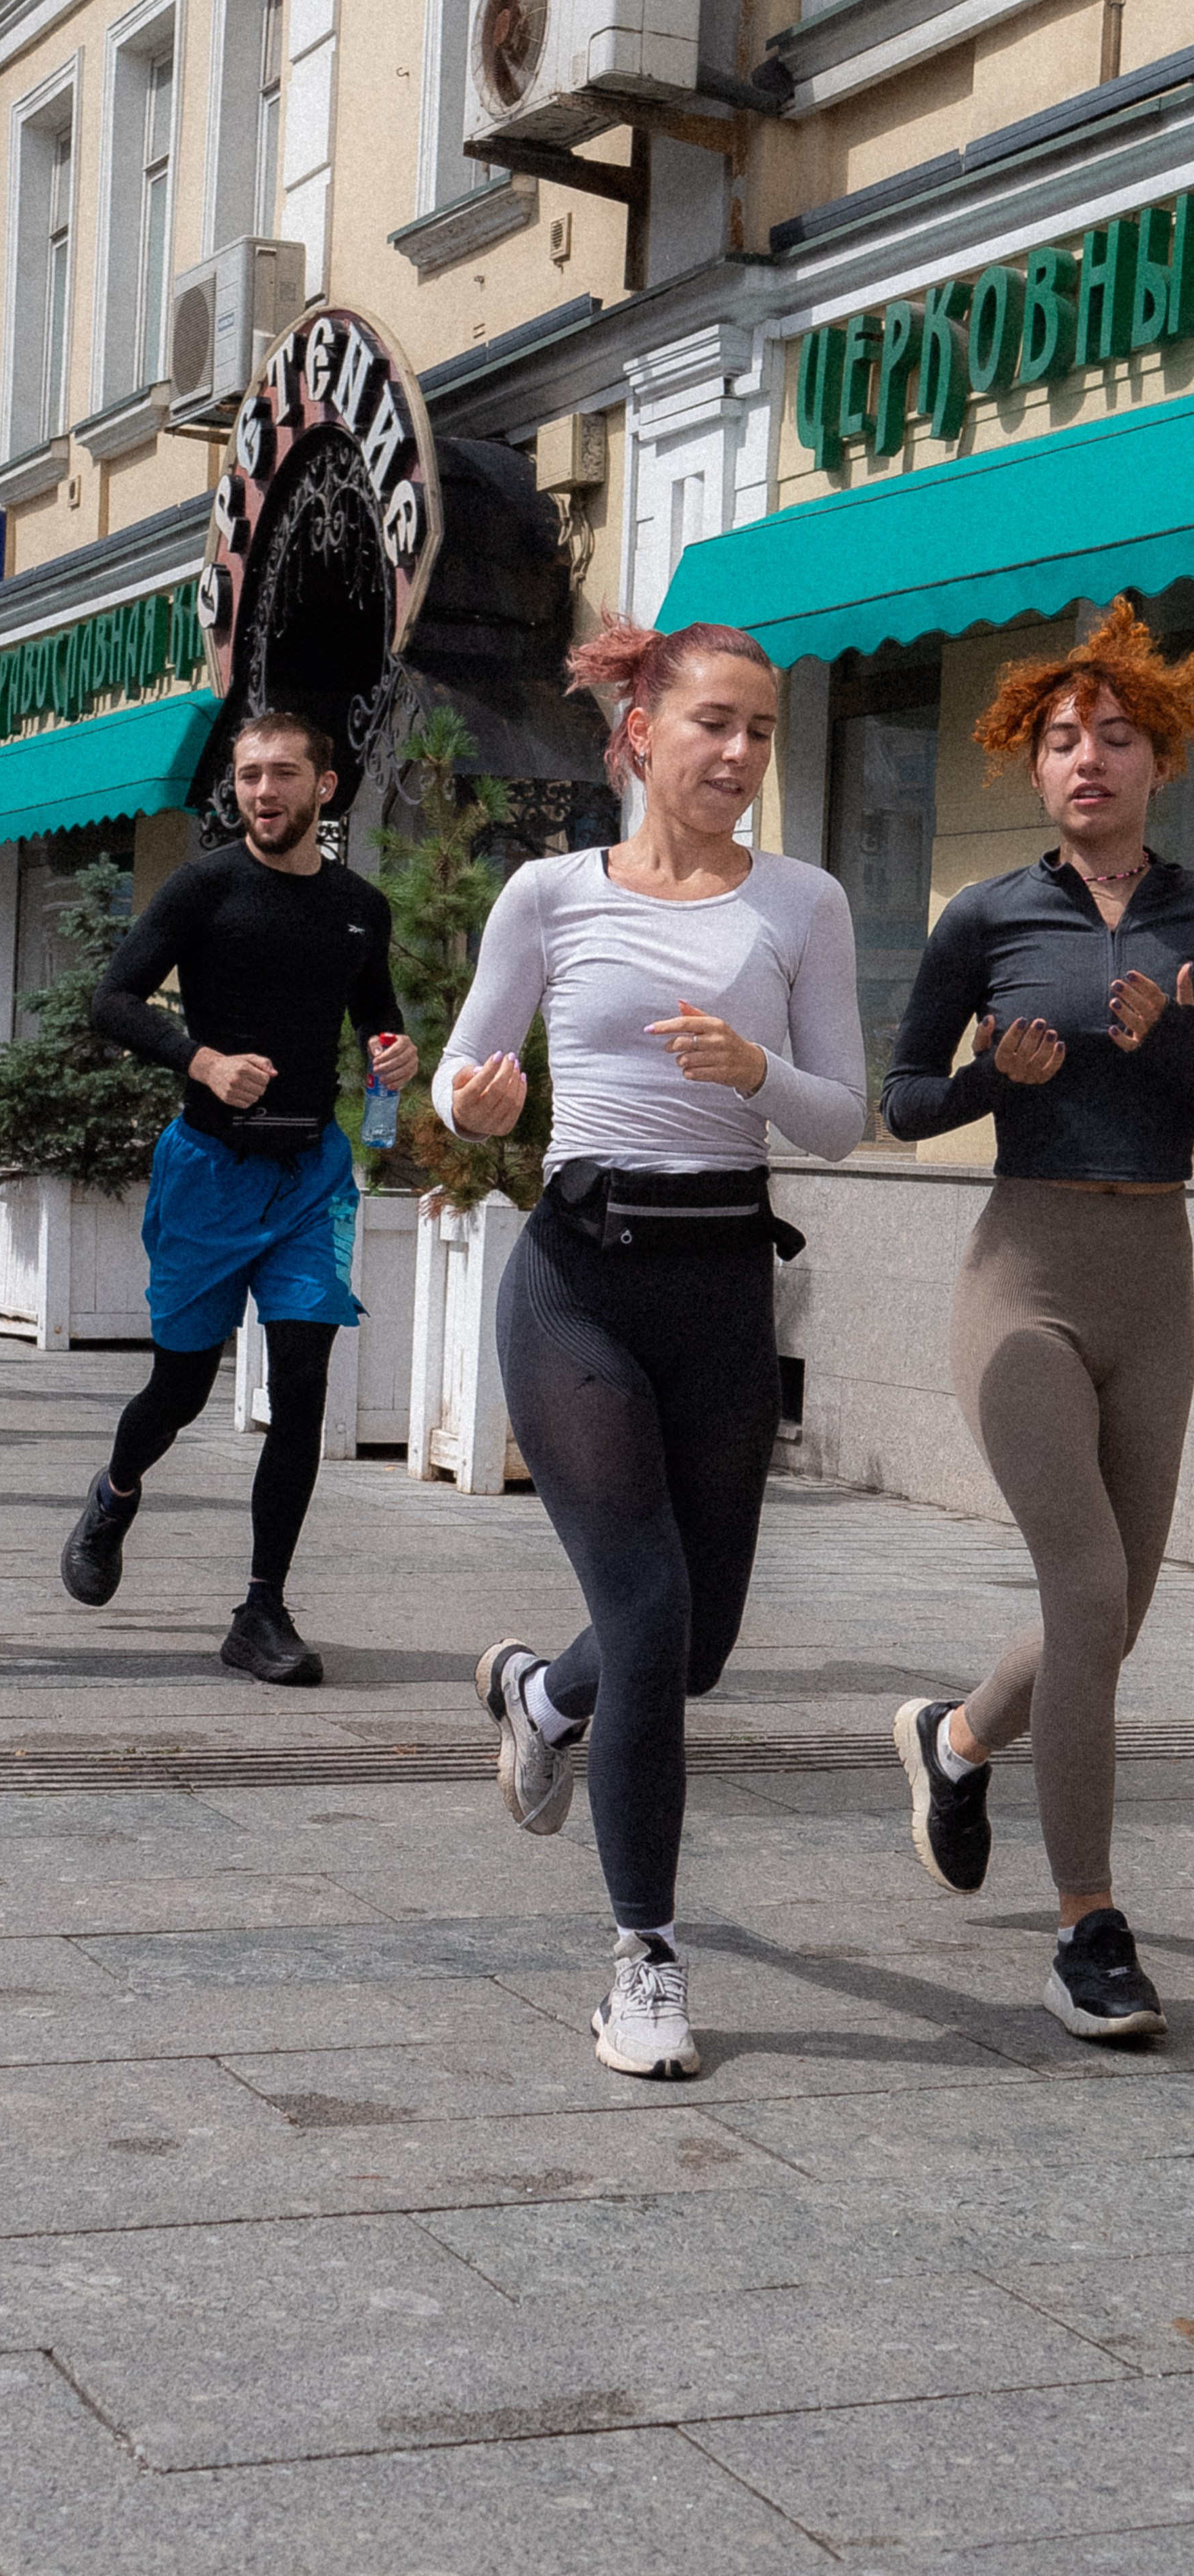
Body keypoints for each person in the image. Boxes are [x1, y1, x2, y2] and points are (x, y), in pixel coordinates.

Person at [435, 615, 865, 2079]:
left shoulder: (802, 903)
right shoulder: (551, 896)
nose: (739, 754)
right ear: (641, 733)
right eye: (713, 725)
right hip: (578, 1282)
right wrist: (478, 1105)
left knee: (699, 1641)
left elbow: (842, 1118)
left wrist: (762, 1070)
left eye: (758, 730)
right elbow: (462, 1068)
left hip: (724, 1290)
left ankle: (541, 1700)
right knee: (651, 1611)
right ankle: (646, 1958)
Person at [883, 598, 1194, 2044]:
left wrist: (1177, 1038)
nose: (1090, 759)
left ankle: (956, 1739)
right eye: (1064, 739)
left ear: (1160, 758)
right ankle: (1089, 1927)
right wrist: (999, 1076)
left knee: (1117, 1611)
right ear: (1033, 761)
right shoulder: (987, 916)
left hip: (1159, 1270)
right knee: (1085, 1591)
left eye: (1117, 737)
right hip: (1025, 1275)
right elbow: (904, 1103)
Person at [59, 710, 416, 1684]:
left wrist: (395, 1050)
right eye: (251, 775)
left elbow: (376, 1013)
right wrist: (202, 1059)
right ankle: (118, 1488)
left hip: (310, 1178)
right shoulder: (204, 887)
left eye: (284, 774)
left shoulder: (357, 907)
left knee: (301, 1383)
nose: (263, 791)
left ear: (324, 787)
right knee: (178, 1385)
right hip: (209, 1169)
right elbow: (114, 999)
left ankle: (261, 1609)